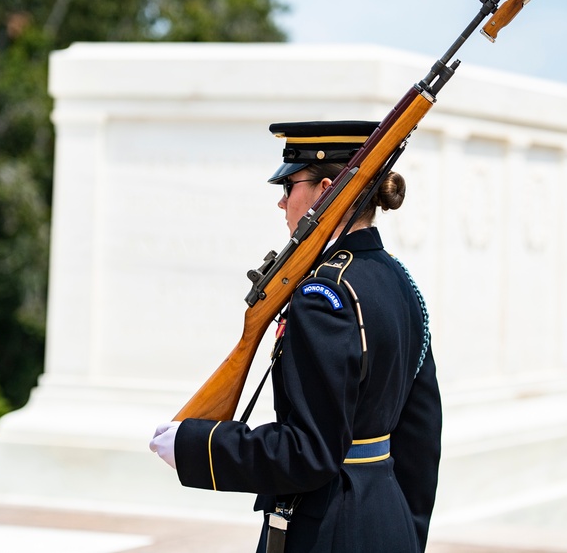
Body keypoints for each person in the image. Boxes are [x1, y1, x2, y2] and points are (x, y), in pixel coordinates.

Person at [150, 120, 442, 553]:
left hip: (326, 530)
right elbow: (421, 438)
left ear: (325, 190)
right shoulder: (401, 282)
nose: (283, 202)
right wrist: (404, 530)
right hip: (387, 522)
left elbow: (308, 450)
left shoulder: (323, 295)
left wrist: (198, 445)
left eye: (289, 186)